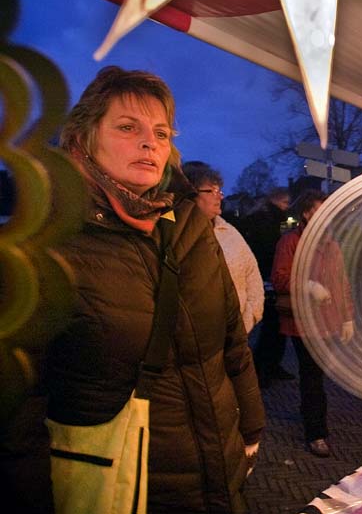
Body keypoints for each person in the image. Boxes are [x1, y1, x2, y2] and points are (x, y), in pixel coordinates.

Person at [48, 66, 265, 512]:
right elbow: (21, 408)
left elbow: (230, 338)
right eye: (129, 128)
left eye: (161, 133)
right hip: (123, 477)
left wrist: (252, 426)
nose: (150, 143)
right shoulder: (51, 244)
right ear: (83, 139)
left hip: (219, 460)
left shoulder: (189, 224)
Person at [271, 189, 353, 457]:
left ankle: (311, 416)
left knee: (315, 376)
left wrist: (348, 317)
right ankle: (316, 432)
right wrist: (308, 286)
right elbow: (280, 278)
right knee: (312, 377)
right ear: (307, 213)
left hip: (327, 321)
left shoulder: (331, 244)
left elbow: (341, 283)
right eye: (319, 209)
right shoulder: (291, 242)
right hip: (303, 323)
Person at [183, 160, 264, 333]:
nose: (219, 196)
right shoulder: (176, 234)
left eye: (219, 190)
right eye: (211, 191)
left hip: (238, 334)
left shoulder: (229, 232)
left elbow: (252, 274)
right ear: (190, 194)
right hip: (195, 339)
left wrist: (249, 318)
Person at [240, 187, 295, 384]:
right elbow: (269, 249)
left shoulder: (262, 217)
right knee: (272, 325)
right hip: (267, 277)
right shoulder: (270, 221)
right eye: (286, 203)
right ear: (279, 201)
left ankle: (269, 365)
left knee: (273, 324)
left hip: (264, 275)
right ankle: (264, 367)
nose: (287, 208)